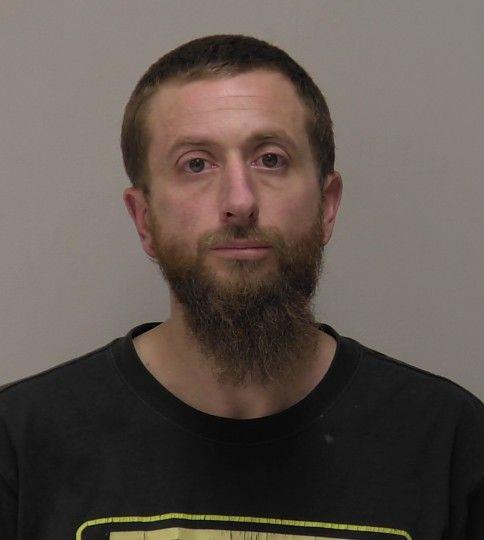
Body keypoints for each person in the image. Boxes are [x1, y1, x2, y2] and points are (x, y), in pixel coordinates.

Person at [0, 34, 482, 540]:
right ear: (144, 219)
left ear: (327, 205)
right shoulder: (22, 443)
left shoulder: (450, 442)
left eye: (270, 159)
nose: (240, 201)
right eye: (196, 164)